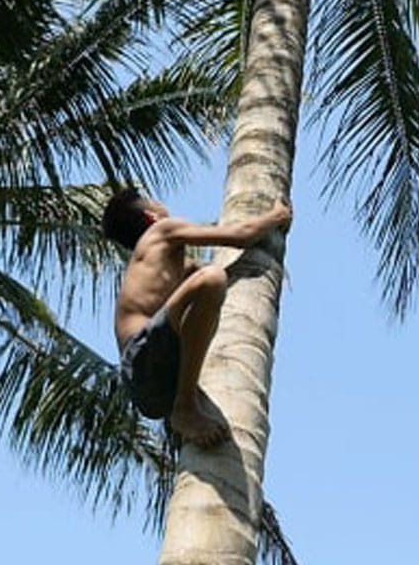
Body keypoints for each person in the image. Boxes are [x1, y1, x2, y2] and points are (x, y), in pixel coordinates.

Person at [102, 188, 292, 447]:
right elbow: (241, 236)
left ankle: (184, 403)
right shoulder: (163, 230)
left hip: (150, 384)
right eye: (154, 199)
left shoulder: (165, 262)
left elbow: (200, 276)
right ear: (151, 217)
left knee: (211, 280)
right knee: (213, 279)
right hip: (141, 358)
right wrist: (275, 216)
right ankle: (185, 407)